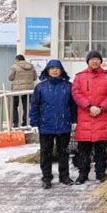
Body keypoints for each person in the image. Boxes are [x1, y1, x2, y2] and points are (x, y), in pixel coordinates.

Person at [71, 51, 107, 184]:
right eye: (92, 59)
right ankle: (83, 173)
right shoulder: (80, 77)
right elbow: (76, 93)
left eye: (97, 59)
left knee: (100, 150)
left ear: (100, 61)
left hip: (102, 118)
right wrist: (89, 106)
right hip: (86, 118)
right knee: (84, 150)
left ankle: (100, 173)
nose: (95, 61)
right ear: (88, 61)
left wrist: (101, 107)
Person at [29, 60, 77, 189]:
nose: (54, 70)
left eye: (57, 68)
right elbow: (35, 106)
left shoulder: (68, 86)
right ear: (47, 70)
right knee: (46, 153)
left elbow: (73, 106)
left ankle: (64, 176)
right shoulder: (40, 87)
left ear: (61, 70)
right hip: (46, 125)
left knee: (64, 153)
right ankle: (46, 177)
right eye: (52, 68)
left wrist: (74, 120)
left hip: (63, 124)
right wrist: (34, 122)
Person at [8, 54, 37, 127]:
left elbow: (10, 78)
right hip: (28, 90)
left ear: (17, 60)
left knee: (14, 106)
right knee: (26, 107)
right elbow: (35, 78)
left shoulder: (14, 66)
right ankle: (25, 123)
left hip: (17, 90)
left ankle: (16, 123)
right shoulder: (31, 66)